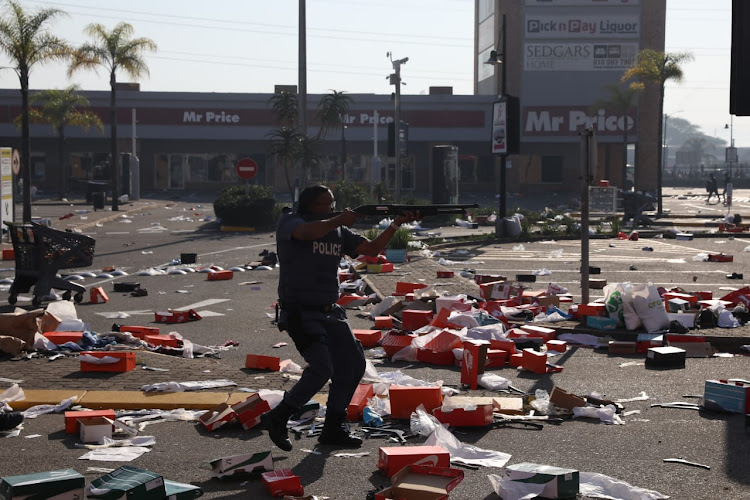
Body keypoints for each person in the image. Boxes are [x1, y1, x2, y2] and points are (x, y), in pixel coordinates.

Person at [261, 185, 419, 451]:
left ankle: (334, 426)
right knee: (322, 368)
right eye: (327, 203)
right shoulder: (291, 220)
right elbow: (305, 232)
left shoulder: (338, 230)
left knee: (354, 365)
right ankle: (278, 416)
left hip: (329, 310)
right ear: (311, 205)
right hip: (300, 310)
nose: (333, 207)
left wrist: (396, 224)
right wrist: (338, 220)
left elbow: (371, 249)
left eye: (334, 203)